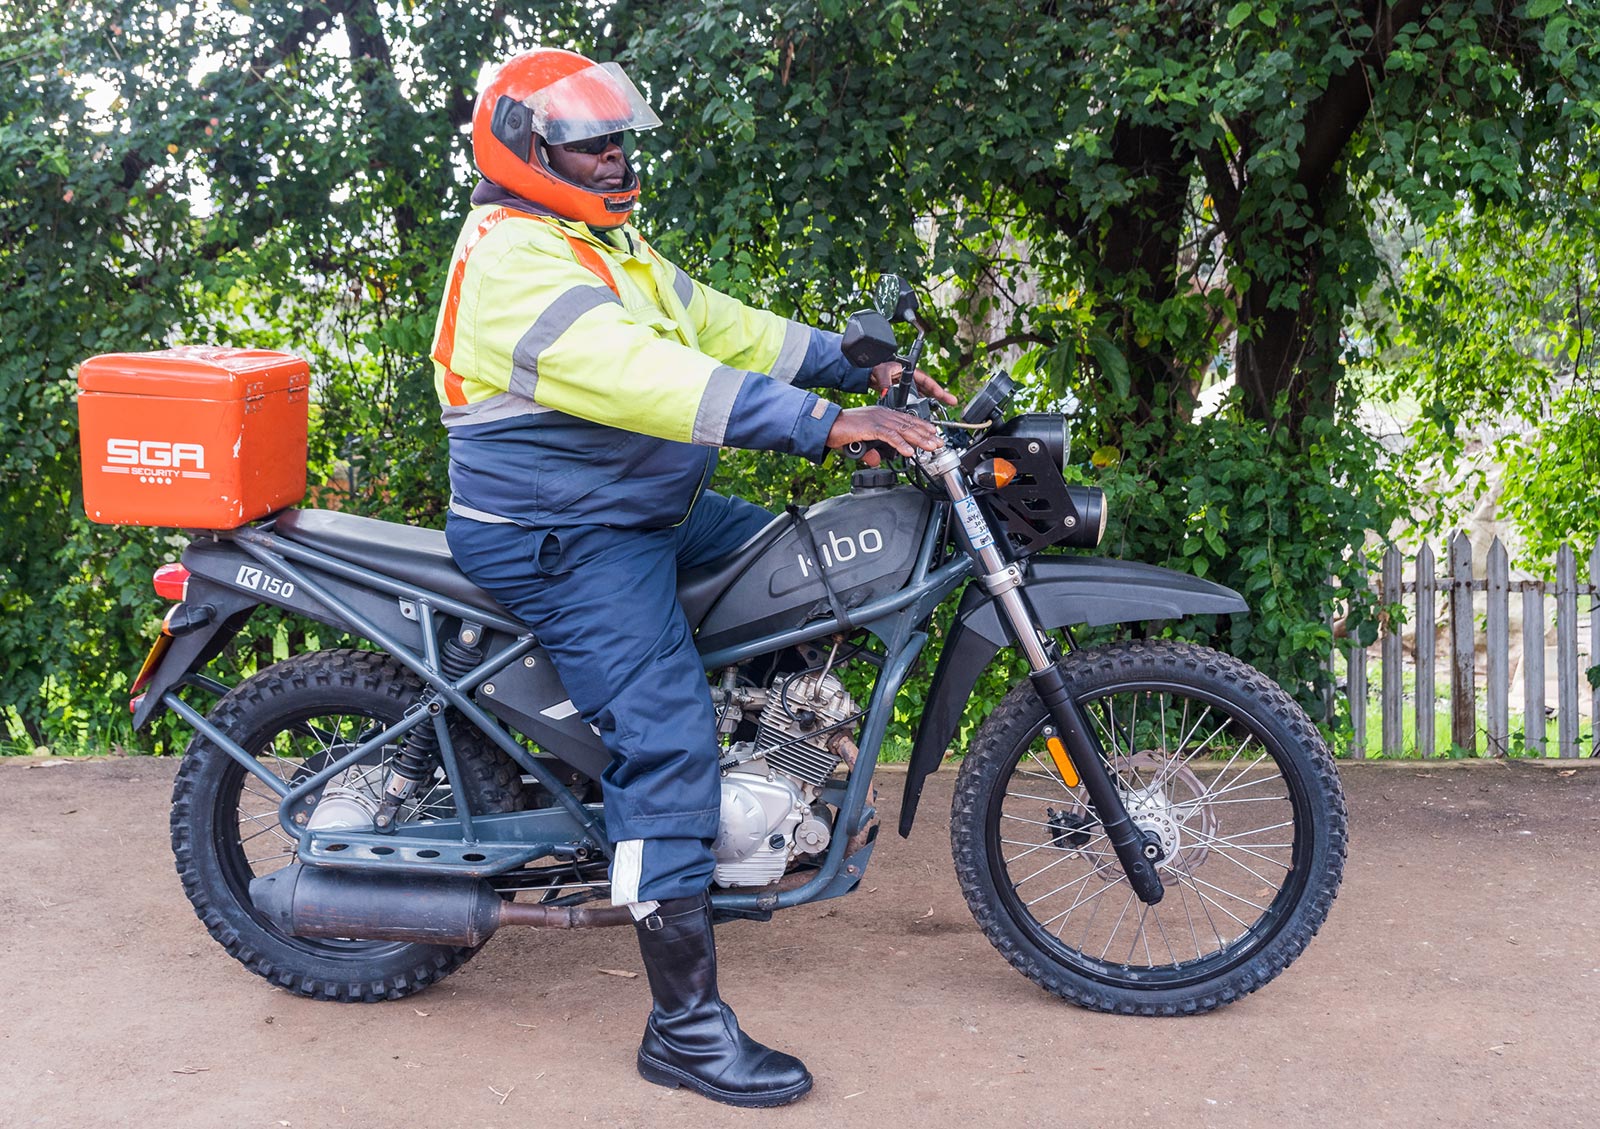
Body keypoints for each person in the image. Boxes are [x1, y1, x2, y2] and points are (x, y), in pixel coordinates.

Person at [432, 47, 953, 1108]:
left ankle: (768, 759)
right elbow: (653, 376)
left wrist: (849, 367)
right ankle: (682, 1025)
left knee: (825, 578)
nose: (615, 155)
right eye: (591, 141)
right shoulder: (512, 261)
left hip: (646, 508)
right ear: (528, 151)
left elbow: (714, 324)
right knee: (665, 740)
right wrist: (821, 422)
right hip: (566, 533)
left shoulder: (596, 238)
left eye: (619, 136)